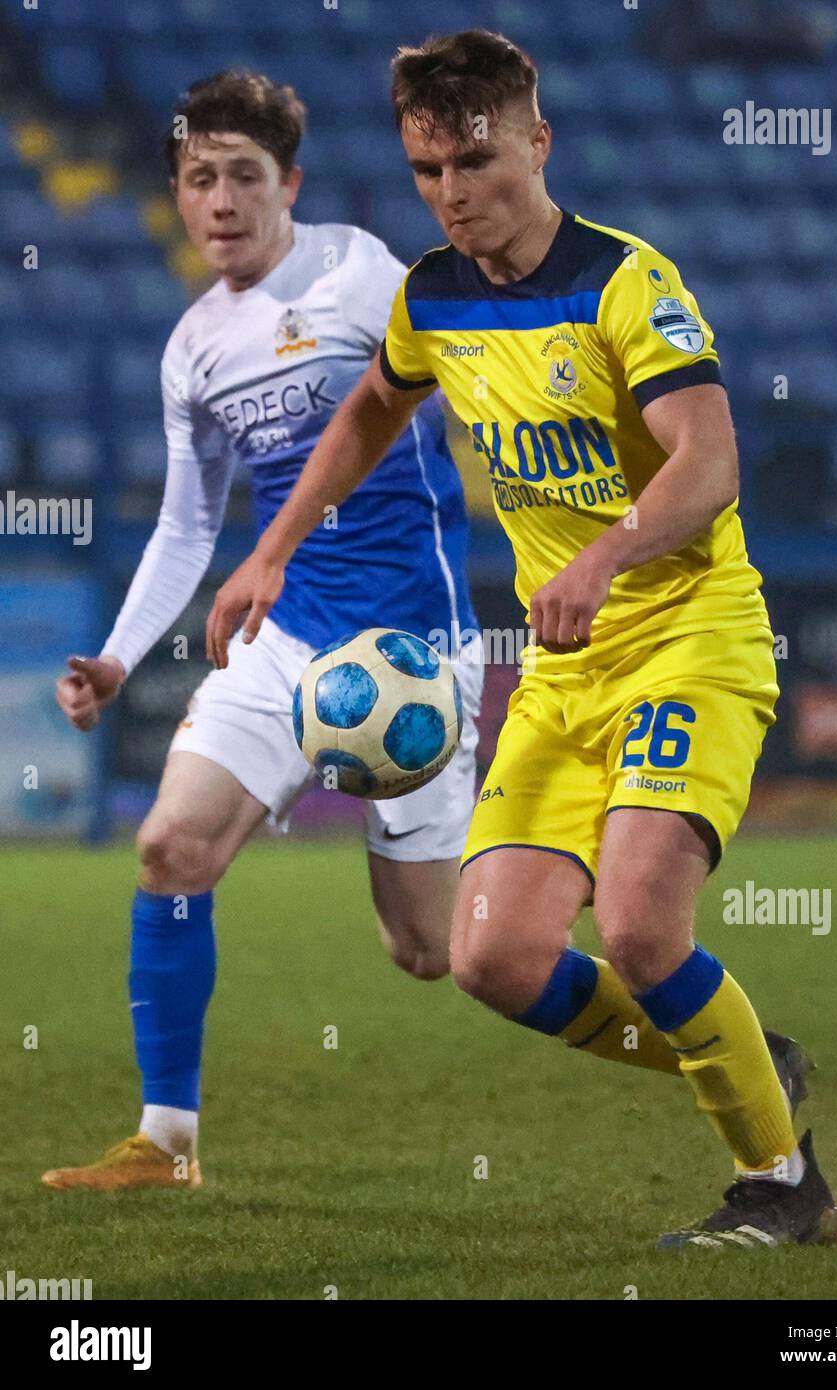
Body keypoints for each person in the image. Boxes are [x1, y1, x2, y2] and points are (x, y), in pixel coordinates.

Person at [205, 32, 836, 1249]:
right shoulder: (430, 295)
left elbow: (707, 462)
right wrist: (271, 546)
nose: (451, 193)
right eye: (426, 169)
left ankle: (777, 1182)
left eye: (475, 161)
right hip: (563, 669)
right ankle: (744, 1055)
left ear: (536, 143)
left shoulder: (622, 283)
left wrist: (603, 555)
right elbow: (371, 408)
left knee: (642, 928)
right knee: (489, 955)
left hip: (686, 635)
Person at [43, 70, 482, 1193]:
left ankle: (661, 994)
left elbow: (463, 401)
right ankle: (166, 1140)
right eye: (200, 180)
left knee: (434, 953)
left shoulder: (361, 275)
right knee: (168, 847)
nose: (222, 200)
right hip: (282, 639)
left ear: (288, 184)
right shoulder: (192, 346)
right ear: (180, 198)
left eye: (245, 176)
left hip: (405, 654)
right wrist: (118, 656)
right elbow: (189, 525)